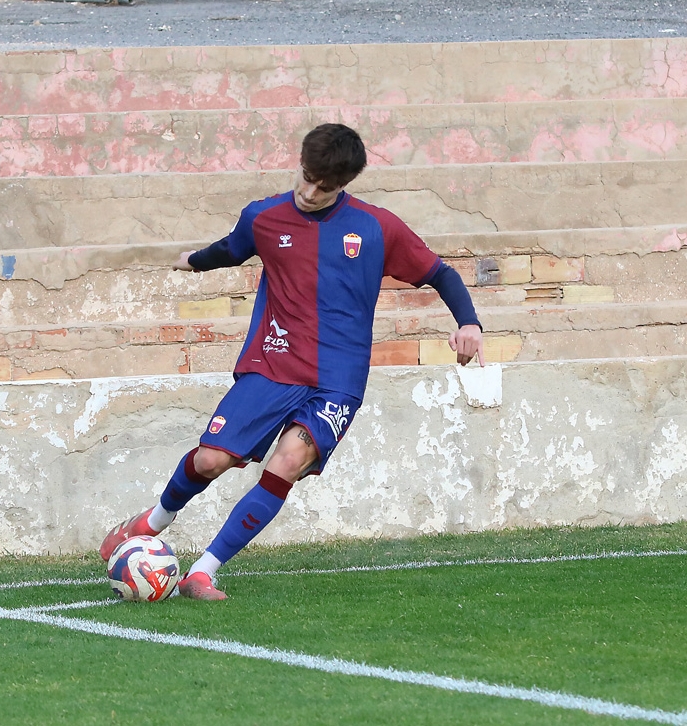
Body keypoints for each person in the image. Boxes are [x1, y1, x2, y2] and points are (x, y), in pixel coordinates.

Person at [99, 123, 484, 599]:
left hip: (339, 381)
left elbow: (439, 273)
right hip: (274, 364)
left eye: (324, 187)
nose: (309, 192)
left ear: (344, 184)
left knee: (287, 461)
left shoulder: (377, 227)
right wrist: (194, 261)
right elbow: (232, 249)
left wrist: (469, 323)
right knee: (212, 458)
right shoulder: (264, 217)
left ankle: (204, 570)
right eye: (306, 177)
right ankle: (151, 523)